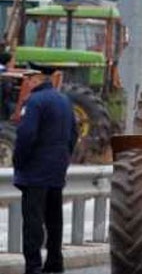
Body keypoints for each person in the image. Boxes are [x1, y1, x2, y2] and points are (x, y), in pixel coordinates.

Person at [13, 66, 78, 274]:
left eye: (29, 78)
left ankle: (33, 266)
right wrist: (63, 159)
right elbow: (73, 134)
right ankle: (54, 262)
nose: (28, 82)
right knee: (54, 219)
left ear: (38, 78)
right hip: (57, 170)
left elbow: (26, 136)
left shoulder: (34, 102)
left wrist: (19, 161)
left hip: (35, 171)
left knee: (33, 222)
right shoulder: (64, 100)